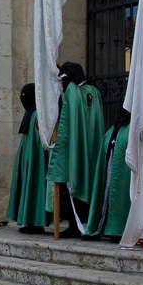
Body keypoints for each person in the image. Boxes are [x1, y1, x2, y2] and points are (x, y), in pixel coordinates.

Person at [46, 62, 105, 237]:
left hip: (75, 150)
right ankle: (85, 223)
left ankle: (75, 225)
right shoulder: (93, 92)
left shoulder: (73, 93)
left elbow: (68, 124)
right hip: (91, 148)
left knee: (73, 181)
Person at [7, 83, 50, 233]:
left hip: (35, 160)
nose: (22, 99)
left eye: (24, 96)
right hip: (29, 158)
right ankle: (29, 221)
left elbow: (38, 142)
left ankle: (36, 222)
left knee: (34, 185)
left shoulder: (37, 115)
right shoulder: (31, 114)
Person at [84, 110, 132, 242]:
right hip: (109, 170)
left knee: (121, 195)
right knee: (106, 194)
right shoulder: (112, 130)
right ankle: (105, 227)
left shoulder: (131, 129)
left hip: (123, 176)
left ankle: (119, 229)